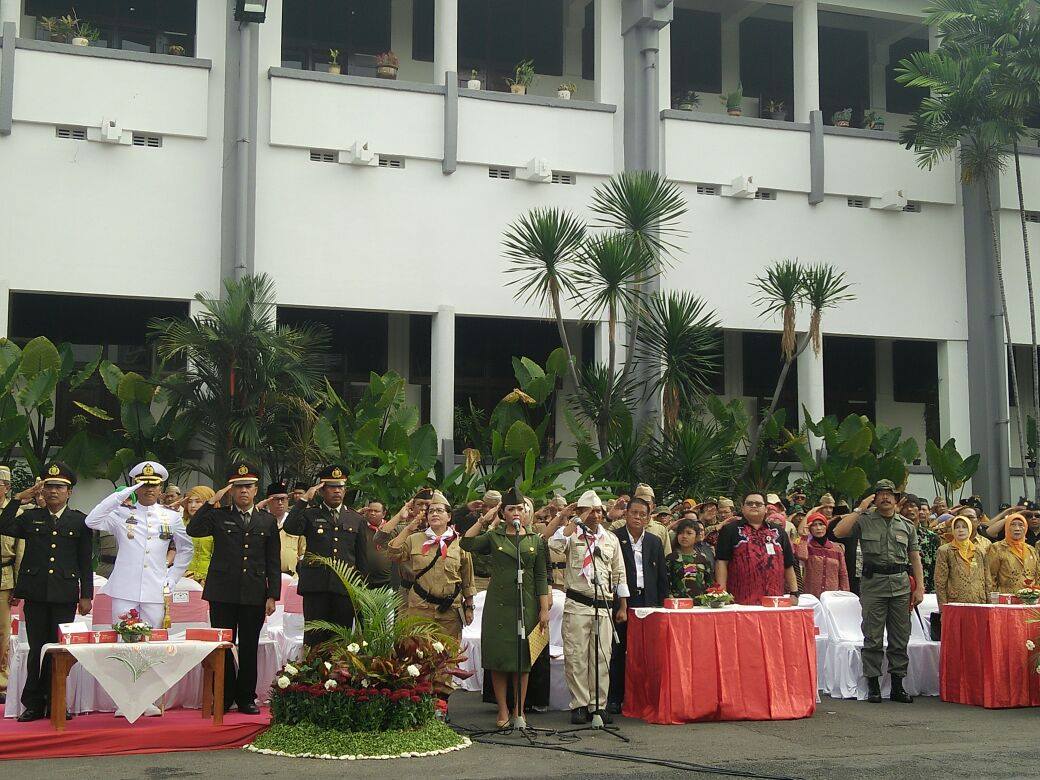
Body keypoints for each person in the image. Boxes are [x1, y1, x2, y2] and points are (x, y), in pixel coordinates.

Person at [0, 463, 92, 722]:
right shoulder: (31, 517)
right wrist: (19, 497)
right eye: (49, 486)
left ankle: (57, 701)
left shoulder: (79, 520)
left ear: (69, 491)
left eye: (59, 487)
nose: (53, 491)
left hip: (64, 594)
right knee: (37, 649)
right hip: (36, 593)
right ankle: (33, 703)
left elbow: (86, 561)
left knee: (58, 651)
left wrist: (86, 595)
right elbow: (3, 525)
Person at [187, 464, 280, 714]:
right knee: (224, 646)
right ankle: (224, 696)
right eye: (238, 487)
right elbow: (193, 530)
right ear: (231, 491)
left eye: (248, 486)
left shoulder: (267, 521)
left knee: (249, 646)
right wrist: (210, 503)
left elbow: (273, 560)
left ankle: (246, 697)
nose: (243, 491)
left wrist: (273, 595)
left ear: (256, 490)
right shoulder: (219, 516)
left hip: (254, 592)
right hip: (223, 593)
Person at [460, 488, 547, 728]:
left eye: (520, 509)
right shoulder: (494, 537)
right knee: (499, 659)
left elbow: (541, 575)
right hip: (498, 605)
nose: (516, 513)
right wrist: (484, 519)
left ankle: (519, 710)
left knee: (523, 660)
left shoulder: (535, 540)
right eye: (511, 509)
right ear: (503, 512)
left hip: (525, 604)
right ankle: (502, 709)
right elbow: (466, 543)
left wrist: (544, 608)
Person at [832, 480, 924, 704]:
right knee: (872, 636)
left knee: (900, 637)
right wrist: (860, 509)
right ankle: (873, 683)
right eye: (880, 494)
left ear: (896, 498)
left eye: (889, 494)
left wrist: (919, 587)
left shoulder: (906, 525)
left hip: (901, 584)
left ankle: (897, 686)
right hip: (873, 584)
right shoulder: (865, 520)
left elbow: (915, 557)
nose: (885, 498)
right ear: (874, 498)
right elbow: (838, 531)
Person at [546, 490, 628, 725]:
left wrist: (622, 605)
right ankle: (580, 704)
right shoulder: (572, 536)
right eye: (589, 511)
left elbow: (619, 573)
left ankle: (598, 705)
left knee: (602, 656)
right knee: (576, 657)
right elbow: (554, 546)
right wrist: (567, 524)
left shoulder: (610, 539)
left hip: (603, 605)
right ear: (580, 513)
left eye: (599, 511)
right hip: (577, 603)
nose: (595, 515)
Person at [84, 461, 194, 629]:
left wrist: (173, 577)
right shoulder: (121, 513)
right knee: (123, 639)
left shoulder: (171, 517)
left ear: (160, 488)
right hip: (124, 588)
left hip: (155, 588)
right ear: (136, 487)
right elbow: (91, 520)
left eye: (153, 485)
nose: (149, 489)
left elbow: (186, 549)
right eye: (143, 484)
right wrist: (121, 495)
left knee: (153, 640)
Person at [284, 466, 369, 647]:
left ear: (345, 489)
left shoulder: (356, 519)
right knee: (314, 640)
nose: (337, 491)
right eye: (331, 487)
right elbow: (290, 527)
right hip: (316, 588)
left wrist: (361, 592)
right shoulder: (310, 513)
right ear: (322, 490)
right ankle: (311, 675)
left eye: (340, 487)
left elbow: (362, 559)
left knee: (340, 641)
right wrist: (304, 499)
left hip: (344, 589)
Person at [607, 496, 667, 714]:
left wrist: (662, 604)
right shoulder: (614, 538)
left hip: (648, 600)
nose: (638, 517)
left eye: (643, 514)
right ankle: (614, 697)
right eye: (634, 513)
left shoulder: (654, 541)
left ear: (648, 518)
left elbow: (661, 576)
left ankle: (645, 697)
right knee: (618, 650)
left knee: (646, 652)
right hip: (622, 601)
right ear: (626, 514)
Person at [715, 492, 798, 606]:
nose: (754, 506)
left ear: (765, 509)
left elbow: (788, 563)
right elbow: (721, 561)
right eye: (749, 503)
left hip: (774, 599)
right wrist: (721, 593)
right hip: (740, 601)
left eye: (758, 504)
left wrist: (794, 592)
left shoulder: (779, 531)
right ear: (742, 508)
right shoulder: (730, 530)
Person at [934, 515, 988, 607]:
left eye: (964, 527)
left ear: (970, 529)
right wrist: (943, 608)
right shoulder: (944, 551)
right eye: (957, 527)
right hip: (955, 603)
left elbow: (987, 579)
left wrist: (989, 604)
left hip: (979, 601)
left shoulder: (980, 551)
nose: (960, 530)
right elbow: (940, 582)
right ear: (953, 530)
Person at [985, 512, 1040, 594]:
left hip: (1030, 598)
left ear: (1025, 528)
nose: (1017, 528)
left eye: (1021, 525)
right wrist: (993, 599)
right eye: (1013, 524)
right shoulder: (997, 548)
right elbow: (991, 577)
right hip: (1006, 598)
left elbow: (1037, 576)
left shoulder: (1031, 549)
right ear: (1007, 527)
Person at [259, 482, 304, 576]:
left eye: (283, 499)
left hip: (291, 577)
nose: (280, 503)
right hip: (265, 576)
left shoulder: (296, 522)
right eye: (276, 499)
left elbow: (302, 553)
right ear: (267, 501)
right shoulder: (260, 521)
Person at [800, 511, 849, 597]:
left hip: (832, 597)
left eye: (821, 524)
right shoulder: (807, 546)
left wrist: (845, 593)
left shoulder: (837, 549)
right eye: (814, 525)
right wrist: (804, 537)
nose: (818, 528)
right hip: (811, 595)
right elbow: (801, 556)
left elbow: (843, 573)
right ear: (809, 528)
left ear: (826, 527)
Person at [667, 518, 714, 599]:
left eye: (689, 533)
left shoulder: (703, 558)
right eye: (681, 533)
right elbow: (665, 584)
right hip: (677, 604)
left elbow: (709, 583)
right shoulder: (671, 558)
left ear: (696, 536)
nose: (684, 536)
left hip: (700, 605)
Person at [182, 486, 216, 584]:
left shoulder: (217, 524)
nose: (193, 505)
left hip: (210, 579)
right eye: (189, 502)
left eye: (198, 501)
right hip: (183, 577)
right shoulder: (179, 524)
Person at [361, 499, 396, 589]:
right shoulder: (360, 527)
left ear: (384, 514)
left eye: (376, 511)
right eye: (370, 510)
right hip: (363, 581)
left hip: (387, 581)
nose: (372, 513)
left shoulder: (391, 529)